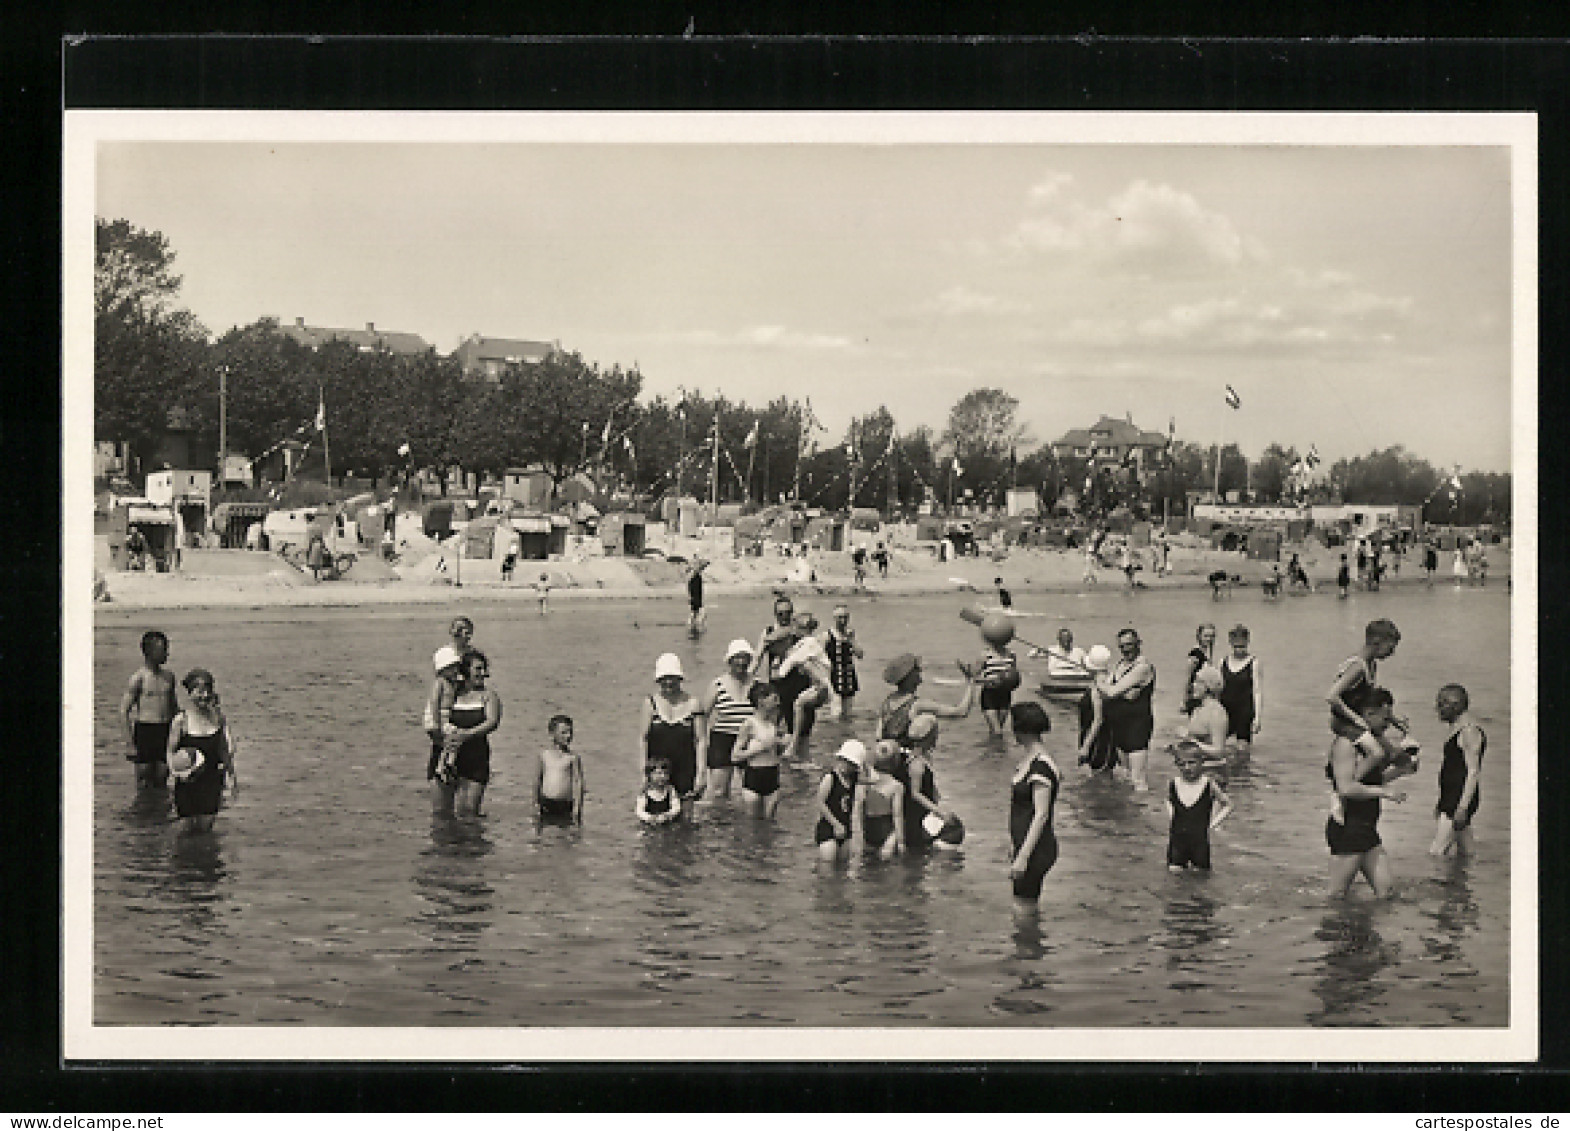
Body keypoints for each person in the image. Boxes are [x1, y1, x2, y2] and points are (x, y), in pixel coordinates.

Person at [1326, 687, 1418, 898]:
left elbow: (1372, 780)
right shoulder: (1345, 745)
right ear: (1368, 714)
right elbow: (1346, 788)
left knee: (1387, 894)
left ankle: (1363, 928)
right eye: (1385, 719)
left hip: (1366, 828)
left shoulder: (1371, 746)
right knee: (1335, 896)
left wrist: (1401, 771)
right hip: (1348, 826)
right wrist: (1384, 792)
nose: (1388, 725)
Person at [165, 667, 238, 834]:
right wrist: (174, 774)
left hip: (211, 782)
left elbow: (224, 750)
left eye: (207, 691)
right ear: (190, 693)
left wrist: (232, 777)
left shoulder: (218, 718)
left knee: (206, 832)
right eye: (199, 691)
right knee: (185, 832)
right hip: (186, 783)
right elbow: (170, 751)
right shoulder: (181, 720)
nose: (204, 696)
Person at [430, 650, 502, 819]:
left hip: (475, 758)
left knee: (469, 814)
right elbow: (434, 711)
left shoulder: (488, 696)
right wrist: (439, 736)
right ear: (465, 670)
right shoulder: (452, 692)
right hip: (446, 754)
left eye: (484, 669)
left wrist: (467, 734)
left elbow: (492, 722)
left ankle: (472, 845)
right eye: (478, 668)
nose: (482, 673)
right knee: (441, 814)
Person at [1007, 701, 1062, 906]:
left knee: (1023, 912)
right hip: (1027, 846)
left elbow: (1041, 815)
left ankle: (1032, 938)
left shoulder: (1041, 766)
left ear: (1022, 729)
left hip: (1037, 849)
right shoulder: (1029, 760)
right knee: (1021, 906)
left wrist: (1023, 856)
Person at [1327, 618, 1402, 764]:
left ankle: (1368, 780)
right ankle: (1349, 784)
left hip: (1357, 721)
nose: (1392, 653)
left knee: (1392, 754)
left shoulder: (1371, 665)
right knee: (1377, 753)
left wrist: (1392, 719)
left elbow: (1370, 699)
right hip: (1343, 722)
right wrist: (1356, 719)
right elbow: (1331, 696)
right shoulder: (1357, 667)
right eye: (1390, 648)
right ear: (1376, 642)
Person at [638, 653, 707, 804]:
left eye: (672, 678)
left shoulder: (694, 704)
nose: (668, 682)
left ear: (680, 678)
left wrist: (702, 773)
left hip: (686, 769)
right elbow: (643, 739)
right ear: (658, 679)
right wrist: (643, 773)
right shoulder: (650, 704)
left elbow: (701, 740)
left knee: (686, 820)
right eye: (664, 678)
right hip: (657, 772)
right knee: (655, 819)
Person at [1430, 684, 1487, 856]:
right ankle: (1465, 880)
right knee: (1466, 852)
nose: (1437, 709)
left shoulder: (1469, 731)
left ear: (1454, 705)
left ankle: (1436, 882)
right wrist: (1442, 801)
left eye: (1441, 704)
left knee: (1437, 852)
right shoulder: (1457, 730)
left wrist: (1462, 808)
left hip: (1458, 799)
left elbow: (1473, 772)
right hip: (1451, 797)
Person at [889, 715, 960, 852]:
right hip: (916, 815)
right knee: (953, 831)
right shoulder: (916, 763)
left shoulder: (918, 757)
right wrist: (939, 811)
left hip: (918, 811)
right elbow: (915, 793)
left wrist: (939, 801)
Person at [877, 652, 976, 748]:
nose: (920, 670)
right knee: (929, 720)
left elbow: (879, 736)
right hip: (909, 759)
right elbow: (961, 712)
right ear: (909, 676)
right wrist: (971, 682)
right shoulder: (918, 704)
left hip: (891, 756)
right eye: (916, 669)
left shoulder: (887, 702)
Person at [121, 629, 178, 790]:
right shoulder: (139, 678)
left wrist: (183, 732)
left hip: (165, 730)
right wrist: (129, 743)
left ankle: (160, 813)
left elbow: (174, 707)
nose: (167, 654)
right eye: (163, 650)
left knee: (162, 777)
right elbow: (123, 711)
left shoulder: (169, 677)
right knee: (144, 781)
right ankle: (143, 812)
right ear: (150, 652)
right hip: (145, 730)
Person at [700, 639, 756, 800]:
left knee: (750, 791)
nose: (741, 662)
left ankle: (745, 824)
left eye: (745, 658)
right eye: (737, 658)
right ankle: (721, 824)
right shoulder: (717, 684)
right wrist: (701, 746)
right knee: (719, 792)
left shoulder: (756, 684)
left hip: (748, 741)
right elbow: (703, 716)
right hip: (722, 740)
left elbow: (767, 714)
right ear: (729, 660)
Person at [1164, 739, 1232, 872]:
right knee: (1174, 877)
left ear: (1201, 762)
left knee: (1201, 878)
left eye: (1191, 763)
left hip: (1199, 842)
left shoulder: (1209, 785)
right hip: (1177, 841)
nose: (1187, 768)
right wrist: (1172, 815)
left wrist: (1213, 823)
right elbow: (1168, 800)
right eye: (1182, 764)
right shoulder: (1174, 784)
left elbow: (1228, 805)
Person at [775, 612, 833, 761]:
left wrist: (780, 673)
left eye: (796, 626)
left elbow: (794, 660)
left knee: (799, 704)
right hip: (818, 686)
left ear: (803, 629)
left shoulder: (810, 643)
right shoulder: (805, 643)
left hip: (822, 687)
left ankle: (793, 746)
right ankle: (798, 752)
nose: (793, 629)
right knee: (800, 705)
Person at [1104, 628, 1157, 790]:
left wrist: (1098, 679)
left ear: (1138, 644)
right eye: (1122, 646)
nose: (1126, 650)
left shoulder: (1143, 667)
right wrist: (1117, 689)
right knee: (1124, 775)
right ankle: (1128, 813)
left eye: (1130, 645)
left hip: (1137, 725)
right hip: (1120, 726)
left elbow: (1111, 691)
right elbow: (1114, 692)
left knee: (1137, 779)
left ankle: (1141, 811)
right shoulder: (1119, 665)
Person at [733, 682, 789, 818]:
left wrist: (782, 745)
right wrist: (758, 749)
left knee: (770, 824)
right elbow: (735, 756)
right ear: (761, 701)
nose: (778, 703)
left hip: (773, 775)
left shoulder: (774, 724)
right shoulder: (749, 724)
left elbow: (777, 751)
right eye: (774, 699)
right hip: (754, 776)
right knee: (753, 825)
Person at [814, 740, 867, 863]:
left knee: (843, 868)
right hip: (828, 827)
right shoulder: (830, 778)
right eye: (844, 760)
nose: (846, 766)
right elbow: (820, 803)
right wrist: (836, 824)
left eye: (851, 763)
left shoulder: (854, 778)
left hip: (846, 828)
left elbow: (875, 778)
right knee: (827, 867)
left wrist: (863, 766)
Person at [1218, 624, 1264, 755]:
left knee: (1242, 749)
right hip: (1225, 708)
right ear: (1231, 644)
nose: (1239, 650)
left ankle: (1243, 774)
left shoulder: (1254, 662)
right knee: (1220, 746)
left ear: (1248, 643)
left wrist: (1257, 718)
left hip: (1245, 709)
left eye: (1242, 646)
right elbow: (1218, 688)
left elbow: (1257, 691)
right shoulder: (1223, 661)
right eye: (1236, 647)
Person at [534, 714, 584, 825]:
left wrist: (577, 807)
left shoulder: (572, 757)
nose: (568, 736)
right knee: (544, 833)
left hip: (565, 804)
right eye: (564, 733)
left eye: (570, 732)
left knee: (565, 835)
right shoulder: (544, 755)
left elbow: (579, 783)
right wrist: (535, 803)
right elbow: (537, 780)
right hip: (546, 802)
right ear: (552, 735)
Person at [860, 744, 906, 859]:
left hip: (869, 827)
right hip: (886, 827)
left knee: (870, 864)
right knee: (888, 864)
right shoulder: (896, 786)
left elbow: (861, 808)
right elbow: (897, 815)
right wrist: (901, 841)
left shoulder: (867, 783)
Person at [1076, 644, 1117, 772]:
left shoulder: (1098, 687)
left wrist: (1086, 746)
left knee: (1094, 774)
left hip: (1096, 738)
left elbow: (1098, 719)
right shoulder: (1111, 681)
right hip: (1106, 736)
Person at [1180, 667, 1231, 765]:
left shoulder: (1216, 713)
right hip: (1195, 769)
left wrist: (1190, 740)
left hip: (1212, 770)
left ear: (1209, 687)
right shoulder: (1197, 709)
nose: (1193, 685)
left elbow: (1218, 752)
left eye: (1198, 682)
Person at [823, 604, 863, 721]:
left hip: (848, 678)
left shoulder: (850, 635)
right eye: (840, 617)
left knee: (848, 714)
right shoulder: (827, 635)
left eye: (845, 617)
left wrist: (852, 640)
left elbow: (860, 654)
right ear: (834, 618)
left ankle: (846, 735)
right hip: (834, 678)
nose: (843, 621)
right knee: (836, 713)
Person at [977, 635, 1021, 737]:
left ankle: (994, 751)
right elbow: (974, 678)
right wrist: (991, 680)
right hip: (989, 694)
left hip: (1005, 694)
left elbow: (1014, 674)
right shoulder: (985, 655)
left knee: (998, 730)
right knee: (997, 731)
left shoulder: (1011, 655)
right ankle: (996, 751)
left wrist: (1013, 681)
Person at [1182, 623, 1218, 714]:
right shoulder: (1195, 654)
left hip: (1205, 697)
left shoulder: (1206, 653)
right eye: (1206, 636)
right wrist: (1184, 700)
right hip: (1196, 697)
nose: (1209, 639)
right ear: (1199, 636)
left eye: (1212, 636)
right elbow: (1187, 677)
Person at [635, 756, 682, 826]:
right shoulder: (645, 792)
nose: (662, 776)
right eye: (659, 773)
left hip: (666, 821)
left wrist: (668, 815)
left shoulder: (670, 789)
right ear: (650, 775)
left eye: (665, 773)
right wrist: (649, 818)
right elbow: (639, 811)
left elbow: (676, 807)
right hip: (649, 823)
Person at [686, 558, 708, 636]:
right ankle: (698, 626)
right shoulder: (696, 578)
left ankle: (692, 626)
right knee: (700, 614)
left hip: (695, 599)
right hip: (696, 599)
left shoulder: (694, 578)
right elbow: (696, 590)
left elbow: (693, 589)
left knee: (694, 614)